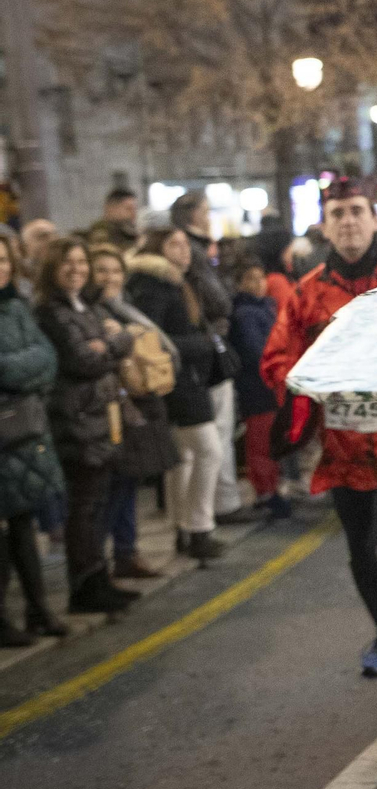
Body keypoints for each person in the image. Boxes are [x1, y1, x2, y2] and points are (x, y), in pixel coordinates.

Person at [262, 179, 377, 676]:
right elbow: (277, 358)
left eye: (357, 210)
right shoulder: (307, 291)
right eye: (337, 213)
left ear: (375, 218)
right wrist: (307, 383)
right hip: (341, 445)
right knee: (359, 546)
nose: (348, 221)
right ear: (323, 226)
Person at [33, 237, 138, 613]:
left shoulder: (85, 305)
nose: (76, 269)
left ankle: (98, 578)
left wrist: (109, 342)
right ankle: (84, 587)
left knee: (96, 504)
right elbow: (82, 361)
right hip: (74, 419)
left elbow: (115, 342)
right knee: (83, 506)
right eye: (68, 263)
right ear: (52, 268)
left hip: (99, 415)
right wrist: (113, 344)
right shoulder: (52, 312)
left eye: (81, 262)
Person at [126, 228, 228, 560]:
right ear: (157, 248)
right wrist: (203, 343)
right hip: (178, 381)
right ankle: (199, 527)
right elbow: (151, 337)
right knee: (209, 450)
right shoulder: (153, 285)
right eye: (174, 244)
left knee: (183, 458)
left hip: (187, 378)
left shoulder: (176, 281)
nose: (184, 251)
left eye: (186, 244)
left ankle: (183, 529)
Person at [89, 246, 179, 579]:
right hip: (112, 408)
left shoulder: (124, 307)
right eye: (101, 270)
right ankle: (96, 564)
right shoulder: (95, 313)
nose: (109, 278)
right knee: (111, 488)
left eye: (115, 271)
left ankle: (126, 553)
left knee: (128, 481)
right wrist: (123, 339)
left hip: (138, 403)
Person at [0, 231, 68, 644]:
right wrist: (21, 367)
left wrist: (13, 369)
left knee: (23, 523)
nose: (1, 268)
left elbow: (48, 358)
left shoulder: (15, 308)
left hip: (21, 431)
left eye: (4, 261)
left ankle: (38, 609)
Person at [169, 191, 244, 524]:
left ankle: (193, 520)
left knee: (200, 447)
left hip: (201, 354)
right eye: (206, 211)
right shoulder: (195, 255)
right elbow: (218, 302)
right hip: (201, 359)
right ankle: (216, 508)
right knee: (211, 441)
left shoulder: (198, 252)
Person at [229, 258, 288, 519]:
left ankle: (271, 489)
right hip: (257, 387)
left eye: (260, 277)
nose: (258, 284)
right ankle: (266, 493)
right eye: (250, 279)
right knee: (261, 443)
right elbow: (257, 351)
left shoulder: (266, 307)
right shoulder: (244, 313)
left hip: (270, 387)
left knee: (269, 440)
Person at [87, 186, 141, 253]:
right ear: (111, 208)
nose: (134, 214)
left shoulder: (130, 233)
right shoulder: (100, 232)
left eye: (135, 209)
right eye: (128, 209)